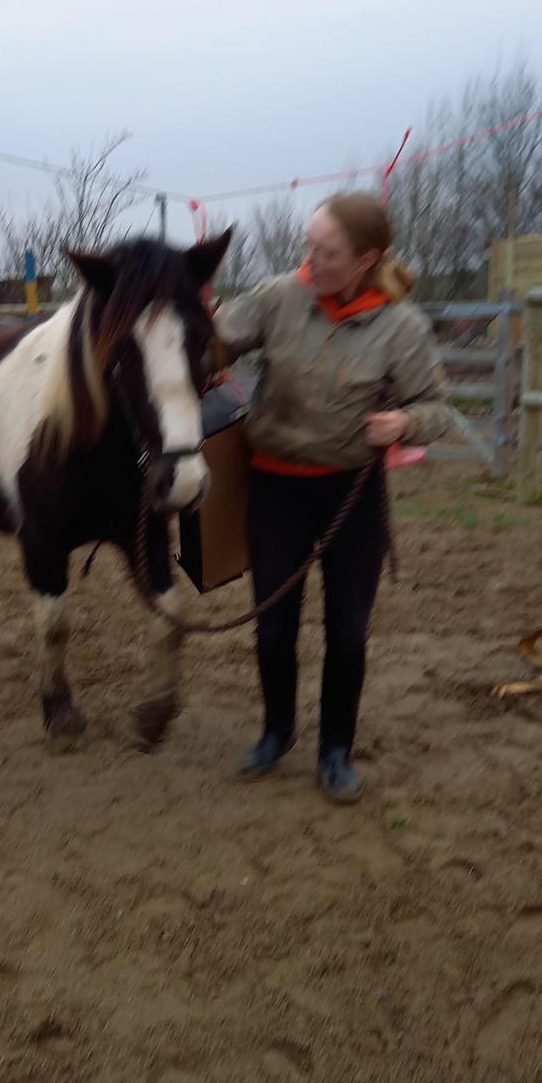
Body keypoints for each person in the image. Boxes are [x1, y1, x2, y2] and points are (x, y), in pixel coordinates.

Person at [211, 192, 450, 802]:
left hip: (351, 492)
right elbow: (215, 339)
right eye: (308, 245)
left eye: (327, 251)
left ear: (367, 259)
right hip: (275, 489)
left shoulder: (401, 328)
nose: (309, 260)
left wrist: (404, 426)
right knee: (272, 627)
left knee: (347, 632)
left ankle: (336, 749)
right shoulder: (278, 296)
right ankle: (277, 731)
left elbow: (436, 407)